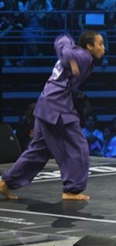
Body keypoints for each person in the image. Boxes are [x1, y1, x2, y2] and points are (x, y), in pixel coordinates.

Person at [0, 32, 106, 201]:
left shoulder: (76, 52)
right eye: (100, 44)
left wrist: (69, 58)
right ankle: (72, 189)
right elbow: (65, 51)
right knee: (79, 146)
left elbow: (62, 38)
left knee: (38, 151)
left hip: (45, 102)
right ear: (89, 46)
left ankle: (5, 182)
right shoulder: (83, 56)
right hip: (58, 107)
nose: (104, 48)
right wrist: (69, 59)